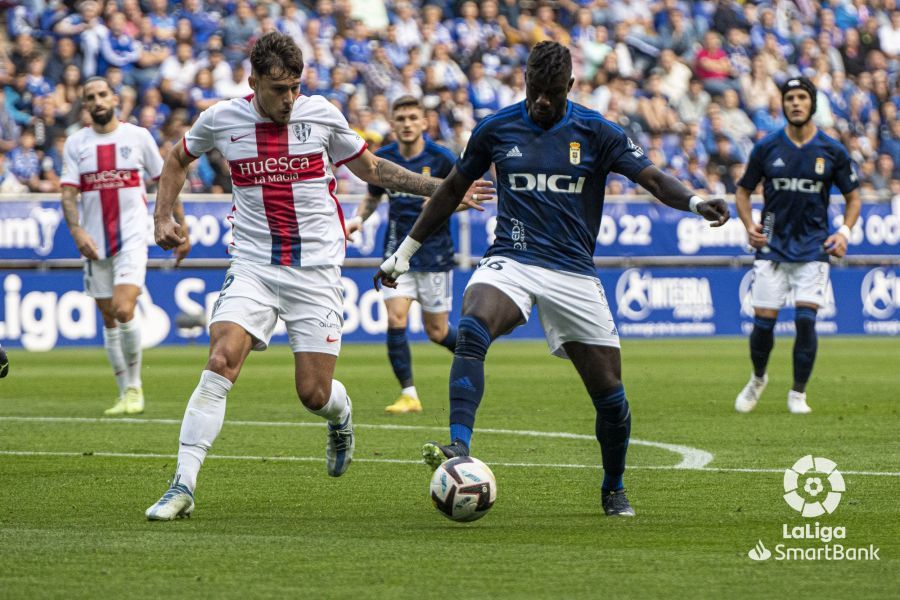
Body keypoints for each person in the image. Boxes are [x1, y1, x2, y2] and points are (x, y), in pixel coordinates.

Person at [147, 32, 492, 521]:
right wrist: (162, 216)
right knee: (222, 358)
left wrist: (444, 190)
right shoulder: (222, 119)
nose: (289, 99)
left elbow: (373, 170)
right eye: (278, 88)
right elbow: (178, 158)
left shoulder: (322, 115)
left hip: (316, 272)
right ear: (253, 82)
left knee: (313, 393)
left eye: (294, 87)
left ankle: (341, 416)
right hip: (253, 264)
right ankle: (182, 484)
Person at [375, 42, 729, 517]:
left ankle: (614, 486)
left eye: (552, 93)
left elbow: (654, 178)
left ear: (571, 87)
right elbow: (451, 190)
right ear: (524, 81)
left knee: (611, 398)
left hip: (573, 272)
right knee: (474, 325)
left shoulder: (597, 131)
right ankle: (460, 447)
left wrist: (694, 202)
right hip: (512, 259)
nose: (541, 101)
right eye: (534, 90)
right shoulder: (496, 128)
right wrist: (403, 254)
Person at [59, 77, 188, 416]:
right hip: (94, 243)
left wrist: (181, 224)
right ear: (85, 105)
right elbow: (69, 193)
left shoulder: (138, 137)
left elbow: (167, 180)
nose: (98, 101)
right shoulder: (76, 144)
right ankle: (124, 392)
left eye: (103, 94)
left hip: (131, 237)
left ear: (115, 99)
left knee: (123, 308)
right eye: (91, 97)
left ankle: (135, 388)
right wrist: (76, 232)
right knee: (109, 318)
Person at [734, 77, 861, 415]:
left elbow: (854, 197)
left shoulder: (832, 150)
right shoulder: (767, 147)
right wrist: (749, 226)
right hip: (772, 246)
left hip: (813, 247)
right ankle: (758, 378)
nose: (796, 103)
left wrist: (845, 232)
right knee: (764, 323)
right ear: (783, 104)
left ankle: (798, 394)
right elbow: (743, 191)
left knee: (806, 321)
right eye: (790, 97)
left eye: (802, 97)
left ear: (812, 103)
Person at [347, 96, 463, 415]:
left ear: (424, 123)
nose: (407, 124)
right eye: (401, 119)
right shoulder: (381, 159)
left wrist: (443, 202)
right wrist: (357, 220)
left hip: (435, 253)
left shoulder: (441, 158)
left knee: (437, 332)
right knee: (395, 318)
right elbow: (372, 199)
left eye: (413, 118)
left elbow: (465, 196)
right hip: (396, 253)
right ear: (392, 123)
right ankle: (409, 394)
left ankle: (472, 353)